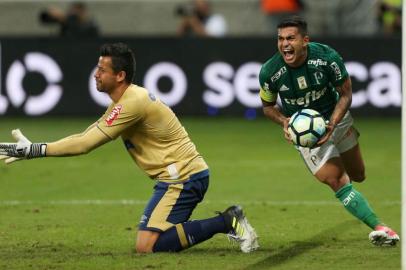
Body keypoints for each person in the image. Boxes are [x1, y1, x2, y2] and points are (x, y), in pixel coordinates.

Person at [0, 43, 258, 253]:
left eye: (102, 69)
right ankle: (225, 221)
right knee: (151, 242)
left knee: (148, 246)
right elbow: (85, 135)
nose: (96, 74)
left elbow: (84, 144)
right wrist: (33, 148)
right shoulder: (125, 102)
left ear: (120, 75)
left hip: (182, 178)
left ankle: (227, 221)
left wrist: (34, 150)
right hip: (179, 177)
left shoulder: (131, 103)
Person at [258, 16, 399, 246]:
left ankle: (354, 195)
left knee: (359, 174)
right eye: (280, 39)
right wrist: (284, 121)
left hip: (337, 119)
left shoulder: (326, 58)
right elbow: (267, 107)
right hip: (307, 135)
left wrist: (332, 123)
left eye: (291, 38)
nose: (284, 44)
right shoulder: (269, 72)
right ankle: (381, 228)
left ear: (305, 40)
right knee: (336, 180)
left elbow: (345, 93)